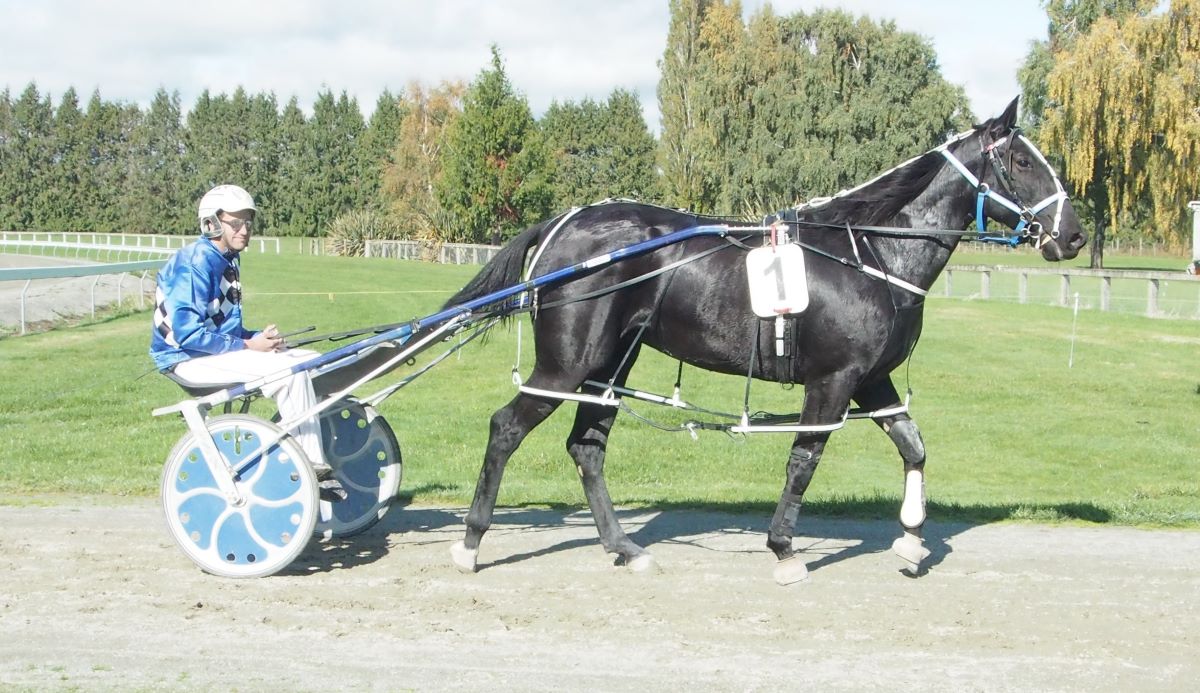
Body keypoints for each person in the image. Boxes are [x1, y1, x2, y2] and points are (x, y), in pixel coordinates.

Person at [150, 184, 343, 499]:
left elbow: (222, 328)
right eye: (236, 223)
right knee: (289, 373)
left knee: (307, 359)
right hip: (183, 360)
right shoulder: (195, 262)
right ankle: (308, 468)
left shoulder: (226, 259)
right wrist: (250, 348)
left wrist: (256, 338)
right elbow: (188, 334)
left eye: (248, 223)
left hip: (203, 355)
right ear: (212, 223)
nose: (244, 230)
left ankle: (299, 445)